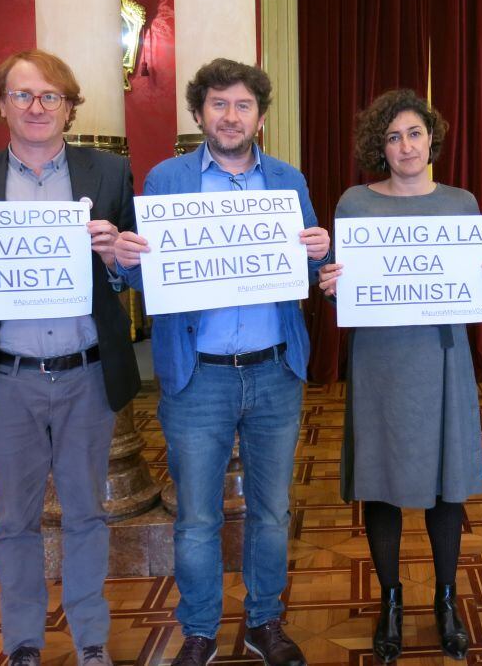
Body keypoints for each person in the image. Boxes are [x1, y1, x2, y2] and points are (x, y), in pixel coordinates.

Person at [0, 50, 141, 666]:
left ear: (70, 107)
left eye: (50, 96)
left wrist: (117, 255)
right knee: (14, 521)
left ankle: (90, 640)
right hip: (8, 377)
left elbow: (129, 277)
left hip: (87, 374)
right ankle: (22, 642)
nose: (37, 106)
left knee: (86, 515)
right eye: (23, 95)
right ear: (1, 106)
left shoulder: (107, 172)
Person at [113, 59, 329, 666]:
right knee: (197, 517)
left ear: (260, 116)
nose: (230, 116)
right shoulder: (165, 179)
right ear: (199, 112)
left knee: (270, 511)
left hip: (273, 371)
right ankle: (200, 630)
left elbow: (309, 269)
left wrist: (320, 249)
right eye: (218, 104)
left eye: (242, 106)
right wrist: (125, 256)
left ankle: (265, 623)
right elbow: (140, 271)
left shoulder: (288, 179)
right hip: (197, 376)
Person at [317, 89, 482, 662]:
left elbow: (475, 284)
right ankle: (391, 601)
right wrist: (331, 286)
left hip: (443, 358)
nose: (405, 144)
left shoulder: (461, 202)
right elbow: (345, 290)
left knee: (445, 484)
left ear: (432, 140)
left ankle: (446, 601)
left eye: (415, 133)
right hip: (379, 361)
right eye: (393, 135)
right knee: (381, 479)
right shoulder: (353, 202)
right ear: (381, 145)